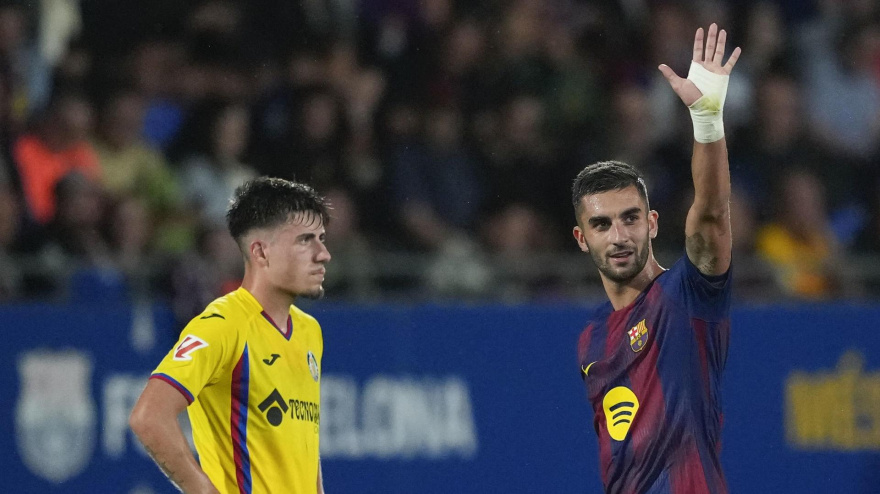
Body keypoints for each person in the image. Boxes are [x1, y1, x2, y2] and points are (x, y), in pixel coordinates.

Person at [571, 24, 740, 493]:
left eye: (630, 218)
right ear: (582, 239)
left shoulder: (687, 296)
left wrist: (707, 120)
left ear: (653, 223)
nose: (619, 235)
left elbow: (711, 216)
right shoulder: (590, 341)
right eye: (601, 224)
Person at [130, 177, 331, 494]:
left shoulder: (309, 330)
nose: (323, 254)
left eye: (321, 239)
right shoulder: (223, 324)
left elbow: (302, 444)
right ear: (261, 252)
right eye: (305, 241)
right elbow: (149, 416)